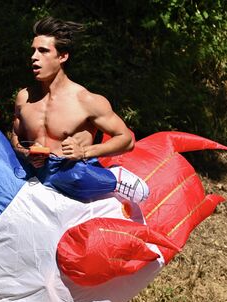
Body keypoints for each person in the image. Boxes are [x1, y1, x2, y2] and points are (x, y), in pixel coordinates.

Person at [11, 17, 149, 203]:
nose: (34, 57)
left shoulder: (86, 100)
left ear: (62, 56)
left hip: (74, 179)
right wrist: (26, 153)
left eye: (43, 51)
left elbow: (126, 140)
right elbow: (15, 136)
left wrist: (84, 152)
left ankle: (112, 179)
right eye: (33, 51)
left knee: (73, 175)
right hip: (37, 179)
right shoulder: (24, 98)